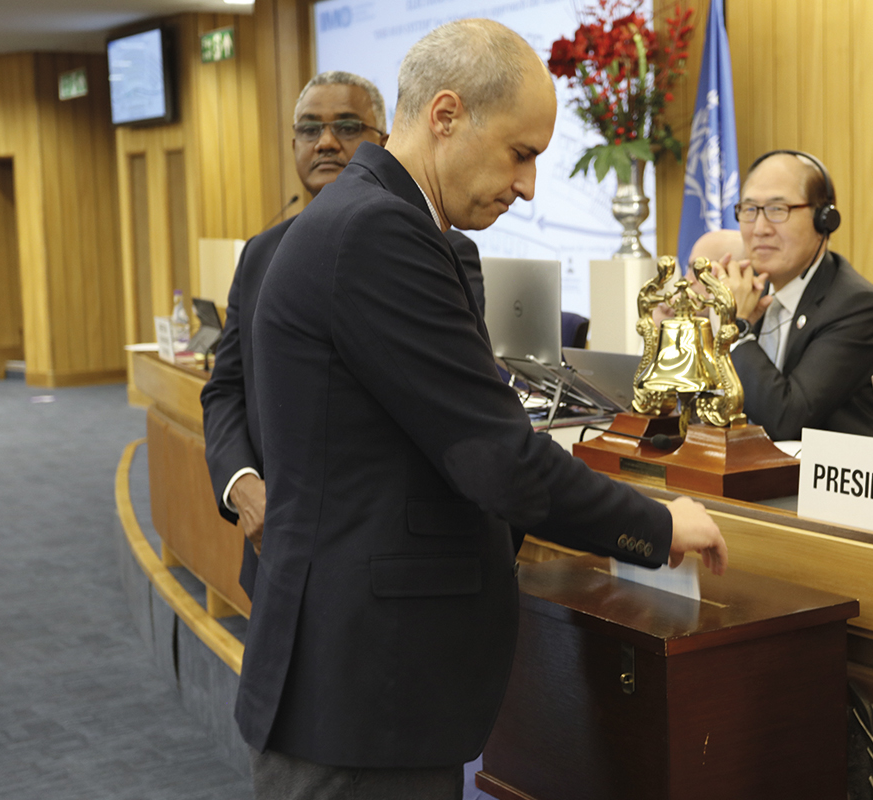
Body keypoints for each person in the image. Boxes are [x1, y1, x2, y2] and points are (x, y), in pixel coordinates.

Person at [239, 19, 728, 798]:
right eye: (520, 153)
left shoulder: (381, 220)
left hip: (365, 685)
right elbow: (495, 457)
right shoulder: (378, 230)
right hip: (362, 693)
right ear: (446, 115)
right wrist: (660, 526)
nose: (528, 185)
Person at [200, 72, 486, 594]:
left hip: (371, 567)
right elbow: (225, 389)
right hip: (271, 551)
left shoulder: (441, 250)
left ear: (382, 140)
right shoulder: (260, 253)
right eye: (310, 129)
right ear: (294, 144)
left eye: (347, 126)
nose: (326, 142)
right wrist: (242, 485)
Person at [715, 150, 873, 440]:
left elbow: (788, 419)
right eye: (749, 210)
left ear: (824, 219)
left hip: (827, 466)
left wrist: (738, 329)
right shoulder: (748, 289)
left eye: (777, 210)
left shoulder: (856, 305)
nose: (760, 229)